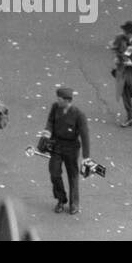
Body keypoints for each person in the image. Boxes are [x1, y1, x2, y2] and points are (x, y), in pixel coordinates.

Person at [45, 86, 90, 214]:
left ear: (67, 100)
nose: (57, 101)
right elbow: (50, 121)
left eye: (59, 99)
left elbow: (85, 135)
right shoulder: (55, 107)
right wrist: (47, 132)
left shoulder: (78, 114)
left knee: (73, 176)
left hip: (71, 147)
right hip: (57, 145)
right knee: (54, 173)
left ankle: (74, 203)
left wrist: (86, 157)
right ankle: (61, 199)